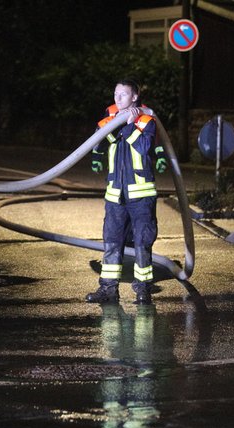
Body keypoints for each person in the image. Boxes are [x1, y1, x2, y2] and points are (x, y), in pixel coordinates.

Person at [86, 79, 167, 305]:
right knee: (112, 242)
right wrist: (98, 152)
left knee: (142, 243)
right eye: (115, 94)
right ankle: (108, 290)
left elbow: (144, 147)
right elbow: (100, 142)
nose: (118, 98)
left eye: (123, 94)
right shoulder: (110, 120)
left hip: (141, 196)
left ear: (134, 97)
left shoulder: (146, 121)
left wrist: (130, 126)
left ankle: (143, 290)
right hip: (115, 196)